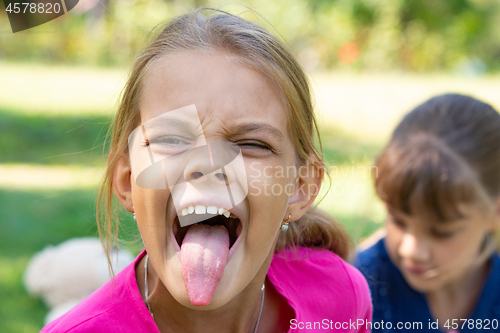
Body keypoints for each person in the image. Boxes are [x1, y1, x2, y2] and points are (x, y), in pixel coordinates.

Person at [42, 8, 372, 333]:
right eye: (171, 138)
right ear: (128, 181)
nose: (210, 165)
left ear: (300, 186)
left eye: (252, 144)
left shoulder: (341, 298)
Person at [354, 94, 500, 332]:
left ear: (496, 212)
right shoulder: (361, 288)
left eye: (441, 232)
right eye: (399, 222)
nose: (412, 250)